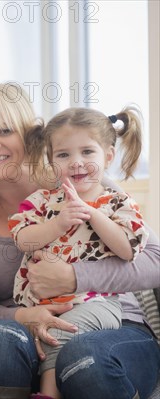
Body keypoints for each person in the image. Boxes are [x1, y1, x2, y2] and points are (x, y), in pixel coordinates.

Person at [0, 83, 160, 399]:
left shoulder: (78, 179)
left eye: (4, 130)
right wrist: (22, 316)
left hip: (112, 322)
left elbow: (154, 262)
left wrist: (74, 277)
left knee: (83, 357)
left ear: (30, 138)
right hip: (30, 325)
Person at [9, 107, 149, 398]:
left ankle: (48, 395)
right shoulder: (41, 202)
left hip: (100, 303)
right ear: (51, 161)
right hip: (46, 302)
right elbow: (24, 240)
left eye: (87, 152)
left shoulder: (117, 203)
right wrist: (59, 223)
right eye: (63, 155)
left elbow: (127, 249)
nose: (76, 163)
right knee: (46, 330)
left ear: (108, 157)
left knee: (60, 331)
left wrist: (92, 215)